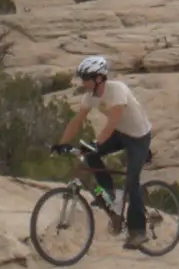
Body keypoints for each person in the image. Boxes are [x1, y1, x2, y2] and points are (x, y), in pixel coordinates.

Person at [52, 54, 153, 249]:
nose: (83, 83)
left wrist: (96, 144)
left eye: (86, 79)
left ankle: (138, 232)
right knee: (91, 155)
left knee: (132, 181)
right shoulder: (90, 96)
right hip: (121, 133)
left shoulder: (118, 91)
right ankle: (108, 193)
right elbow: (77, 120)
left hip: (139, 137)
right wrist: (61, 143)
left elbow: (112, 122)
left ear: (99, 79)